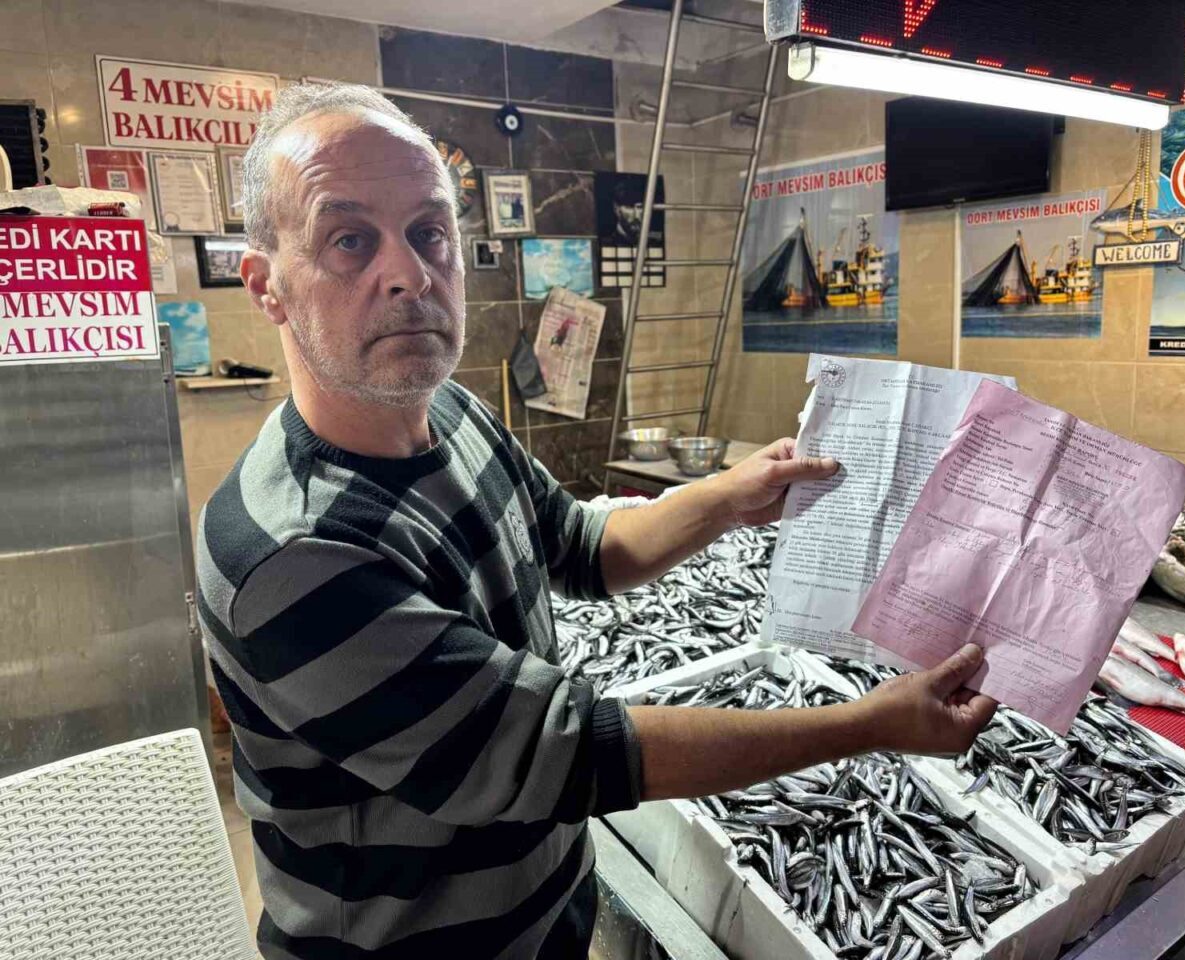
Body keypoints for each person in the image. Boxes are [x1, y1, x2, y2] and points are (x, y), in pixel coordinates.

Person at [197, 83, 998, 960]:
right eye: (350, 239)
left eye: (430, 233)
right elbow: (564, 752)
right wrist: (867, 725)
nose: (410, 274)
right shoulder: (290, 554)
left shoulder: (454, 415)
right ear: (267, 286)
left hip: (545, 919)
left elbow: (581, 546)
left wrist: (728, 495)